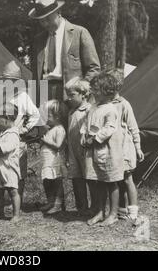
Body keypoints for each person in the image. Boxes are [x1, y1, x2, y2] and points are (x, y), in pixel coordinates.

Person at [28, 0, 100, 109]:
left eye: (48, 18)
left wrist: (82, 87)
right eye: (41, 20)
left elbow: (94, 68)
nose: (45, 23)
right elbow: (35, 74)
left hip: (71, 95)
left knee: (70, 127)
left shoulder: (79, 33)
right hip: (44, 94)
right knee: (48, 127)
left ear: (59, 12)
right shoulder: (38, 40)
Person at [0, 61, 40, 209]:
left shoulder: (23, 96)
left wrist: (23, 129)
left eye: (10, 81)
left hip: (16, 139)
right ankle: (2, 199)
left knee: (18, 171)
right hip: (2, 137)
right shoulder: (4, 96)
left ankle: (17, 200)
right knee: (2, 168)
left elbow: (35, 115)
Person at [81, 72, 124, 226]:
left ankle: (113, 214)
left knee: (111, 181)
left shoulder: (111, 110)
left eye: (96, 90)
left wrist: (96, 138)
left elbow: (109, 128)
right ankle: (100, 212)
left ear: (106, 91)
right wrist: (84, 137)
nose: (92, 92)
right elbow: (86, 125)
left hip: (107, 150)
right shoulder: (92, 108)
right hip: (93, 150)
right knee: (97, 181)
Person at [106, 69, 144, 222]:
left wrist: (138, 147)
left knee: (128, 179)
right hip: (113, 149)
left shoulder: (124, 104)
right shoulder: (105, 104)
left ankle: (133, 210)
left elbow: (133, 127)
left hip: (124, 148)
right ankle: (121, 209)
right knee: (117, 178)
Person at [65, 77, 96, 214]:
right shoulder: (71, 111)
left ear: (83, 95)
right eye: (68, 95)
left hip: (85, 150)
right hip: (73, 150)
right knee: (76, 178)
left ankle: (95, 207)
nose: (69, 98)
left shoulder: (89, 110)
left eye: (72, 95)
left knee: (89, 177)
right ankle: (81, 207)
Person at [0, 104, 21, 222]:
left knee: (13, 191)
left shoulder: (13, 134)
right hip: (0, 167)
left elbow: (5, 148)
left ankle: (16, 215)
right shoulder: (4, 132)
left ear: (7, 118)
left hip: (9, 168)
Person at [39, 99, 67, 215]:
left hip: (54, 161)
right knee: (47, 181)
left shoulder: (59, 129)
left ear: (57, 116)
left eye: (48, 116)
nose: (46, 118)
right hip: (47, 161)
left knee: (56, 182)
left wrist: (46, 141)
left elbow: (58, 146)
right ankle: (50, 201)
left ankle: (58, 204)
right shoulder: (51, 129)